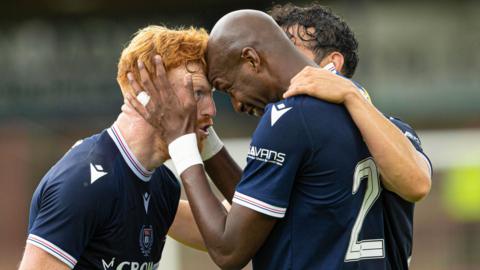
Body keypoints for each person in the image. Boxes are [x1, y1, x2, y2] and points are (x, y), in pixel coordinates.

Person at [125, 9, 431, 269]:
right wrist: (204, 137)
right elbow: (264, 214)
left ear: (252, 59)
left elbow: (228, 249)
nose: (236, 104)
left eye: (228, 87)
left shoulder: (287, 117)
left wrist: (182, 143)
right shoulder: (394, 132)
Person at [18, 25, 216, 270]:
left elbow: (225, 233)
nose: (211, 110)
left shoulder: (163, 185)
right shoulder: (84, 182)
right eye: (198, 93)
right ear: (147, 92)